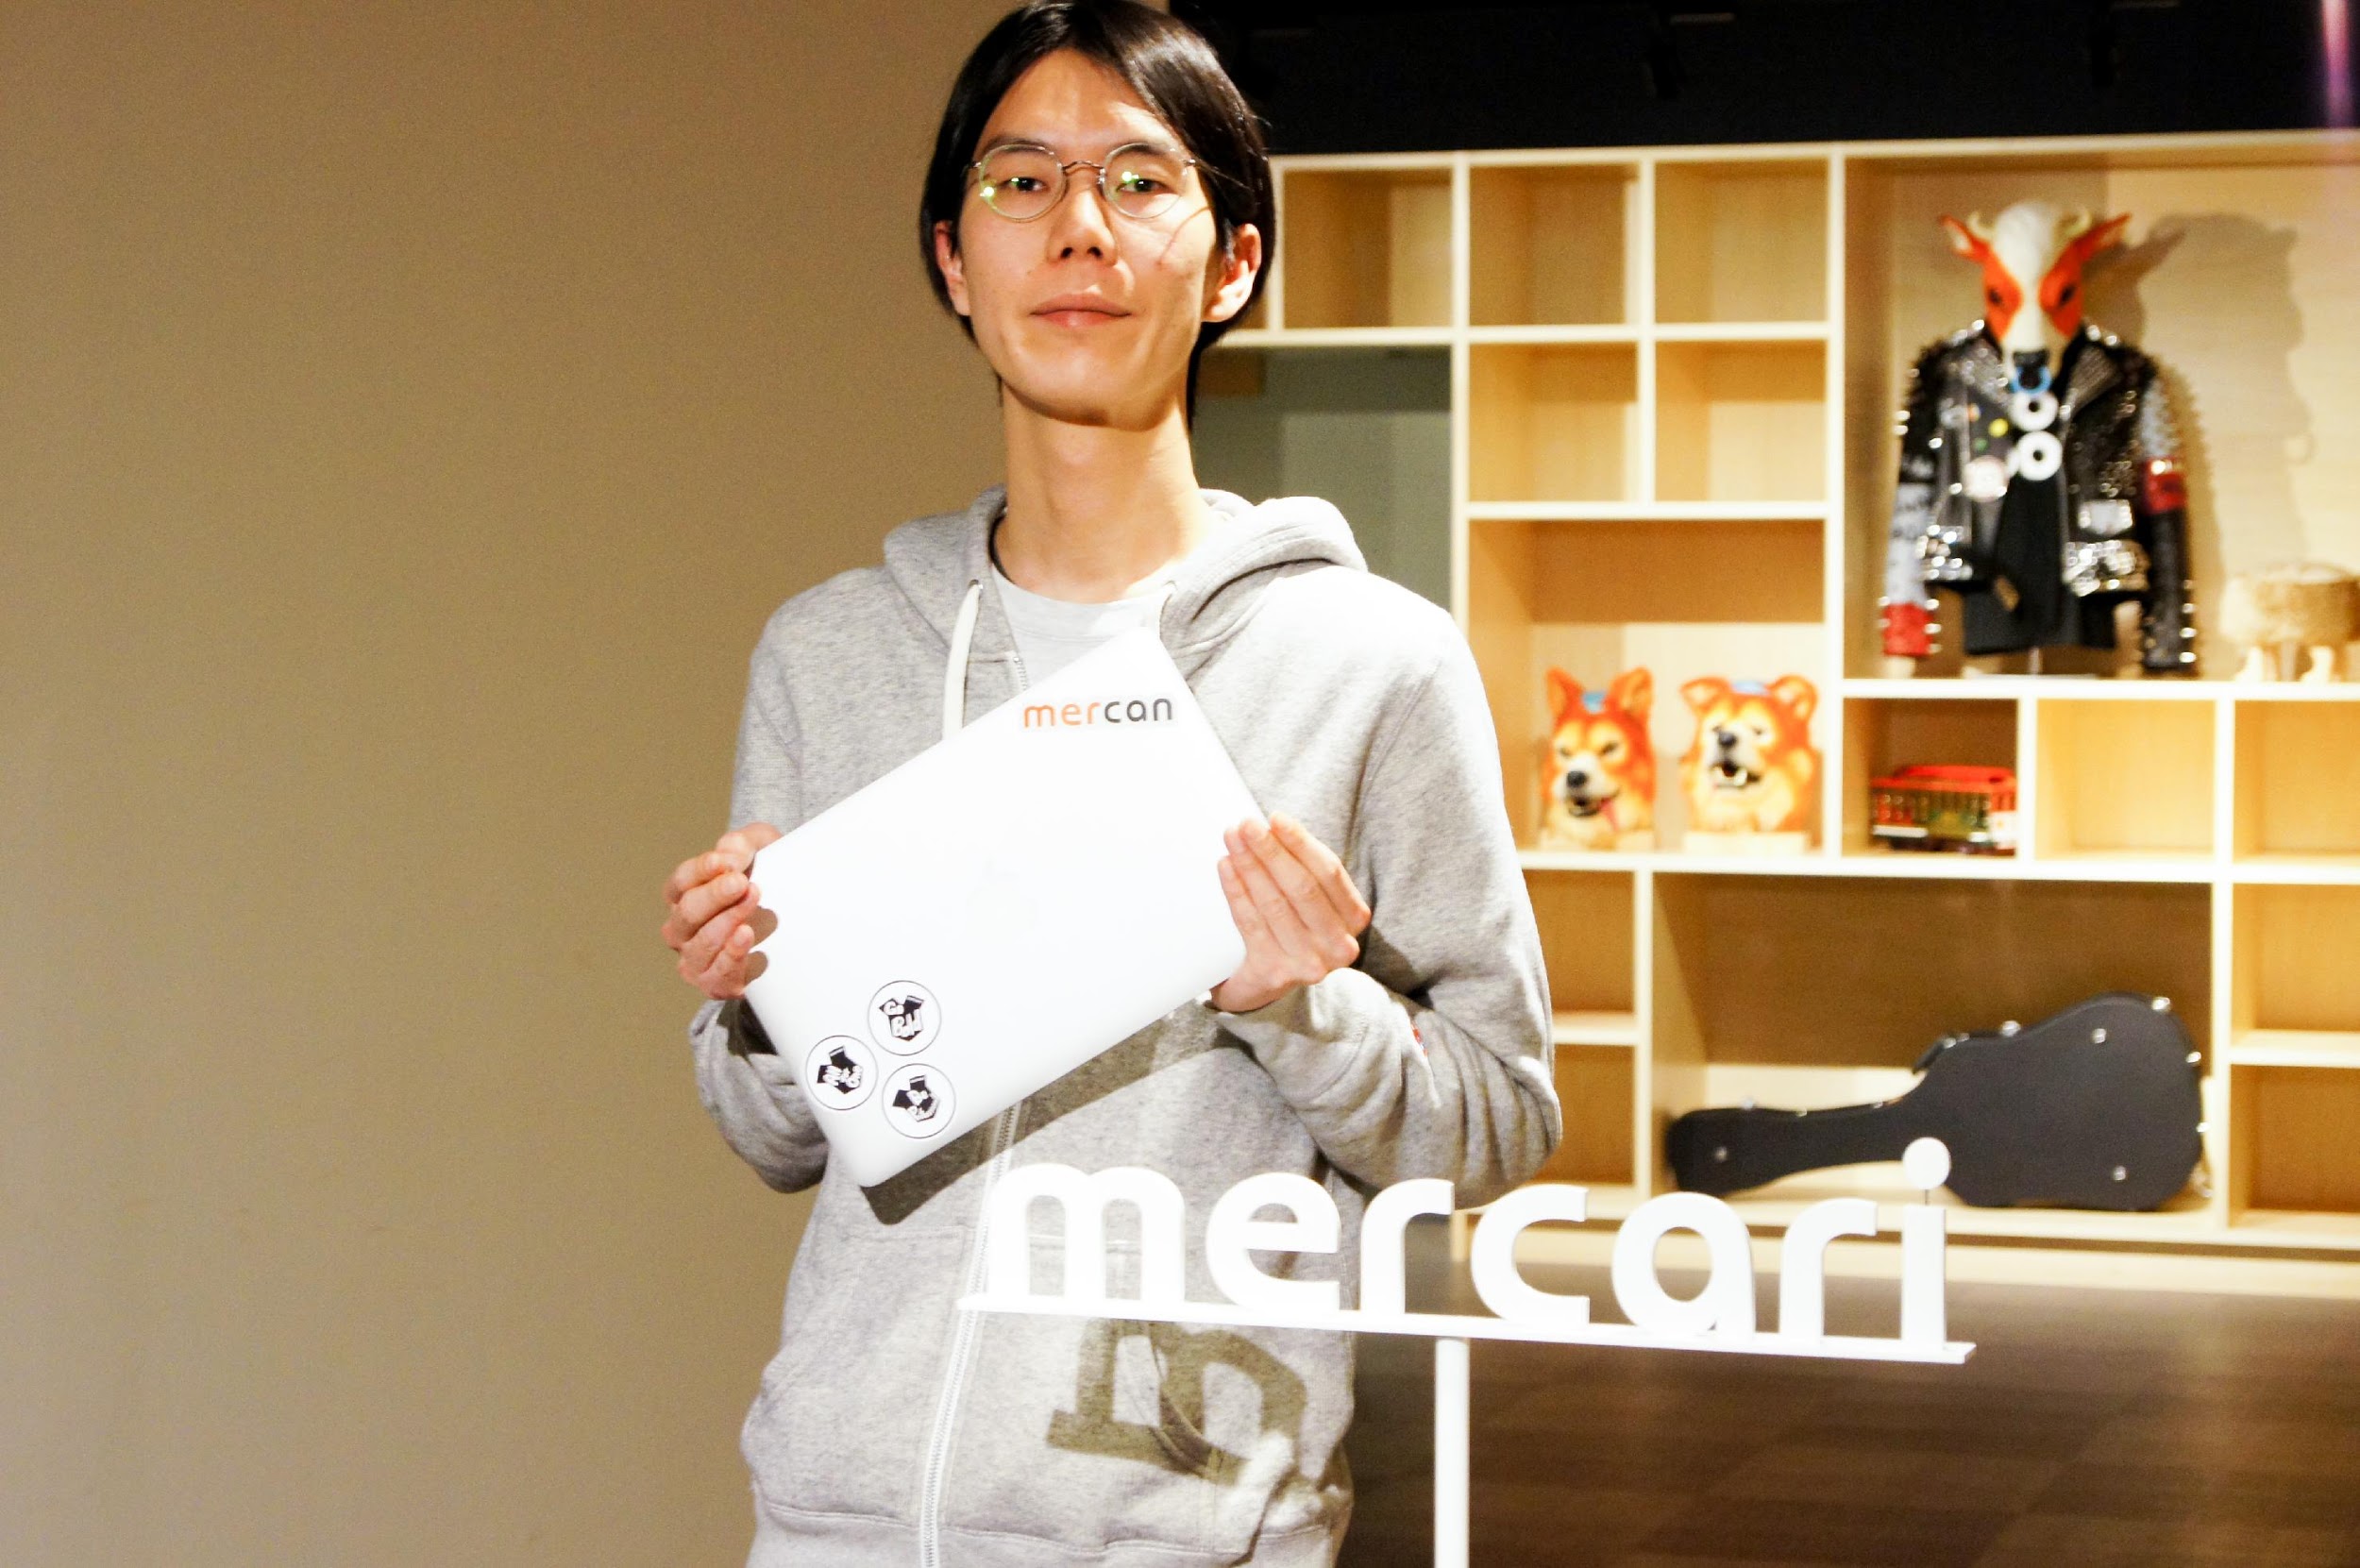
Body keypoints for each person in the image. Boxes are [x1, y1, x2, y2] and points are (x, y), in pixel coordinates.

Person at [658, 4, 1559, 1562]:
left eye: (1141, 182)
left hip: (1183, 1530)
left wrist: (1302, 1002)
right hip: (835, 1519)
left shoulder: (1374, 665)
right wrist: (759, 995)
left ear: (1234, 263)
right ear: (954, 260)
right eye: (1022, 183)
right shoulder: (830, 650)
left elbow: (1494, 1121)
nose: (1079, 229)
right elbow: (777, 1135)